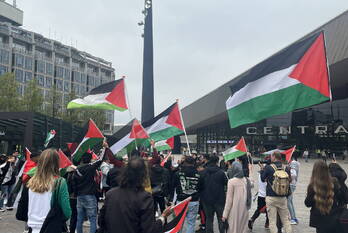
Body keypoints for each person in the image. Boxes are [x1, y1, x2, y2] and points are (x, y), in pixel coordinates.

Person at [98, 157, 171, 233]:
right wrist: (163, 217)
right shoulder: (144, 198)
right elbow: (148, 230)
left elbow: (101, 221)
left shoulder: (110, 194)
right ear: (144, 175)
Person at [27, 149, 71, 233]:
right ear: (57, 163)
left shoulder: (31, 182)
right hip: (51, 226)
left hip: (33, 228)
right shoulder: (60, 182)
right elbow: (67, 212)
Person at [305, 160, 348, 233]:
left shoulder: (313, 186)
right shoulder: (334, 182)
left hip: (320, 220)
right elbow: (343, 199)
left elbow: (308, 203)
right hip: (334, 218)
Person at [73, 143, 107, 233]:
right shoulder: (91, 168)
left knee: (79, 218)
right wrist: (105, 148)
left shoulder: (76, 170)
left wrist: (75, 193)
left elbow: (74, 183)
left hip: (79, 196)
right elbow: (100, 159)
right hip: (90, 195)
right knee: (92, 219)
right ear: (90, 159)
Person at [260, 151, 292, 233]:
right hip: (283, 197)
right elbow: (290, 181)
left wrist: (262, 170)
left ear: (274, 157)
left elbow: (262, 179)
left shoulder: (269, 167)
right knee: (286, 220)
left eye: (271, 156)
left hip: (271, 197)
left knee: (272, 221)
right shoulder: (286, 168)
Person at [172, 156, 202, 233]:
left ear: (185, 162)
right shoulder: (199, 174)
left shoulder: (178, 174)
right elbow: (201, 187)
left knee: (179, 223)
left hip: (181, 201)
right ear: (193, 163)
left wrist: (171, 199)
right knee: (191, 223)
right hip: (193, 200)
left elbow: (173, 186)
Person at [222, 159, 253, 233]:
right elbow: (252, 183)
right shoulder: (246, 180)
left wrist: (225, 215)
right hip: (245, 209)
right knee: (242, 229)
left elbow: (229, 201)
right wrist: (251, 170)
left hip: (234, 210)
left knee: (233, 229)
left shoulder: (231, 182)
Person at [200, 155, 228, 233]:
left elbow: (199, 185)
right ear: (217, 162)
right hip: (219, 199)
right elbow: (227, 183)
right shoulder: (221, 172)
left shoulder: (203, 172)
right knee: (220, 218)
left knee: (209, 219)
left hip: (206, 199)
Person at [288, 157, 300, 225]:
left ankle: (293, 219)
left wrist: (288, 177)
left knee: (288, 202)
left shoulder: (293, 163)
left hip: (291, 184)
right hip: (293, 184)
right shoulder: (295, 163)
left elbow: (293, 174)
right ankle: (294, 217)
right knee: (290, 201)